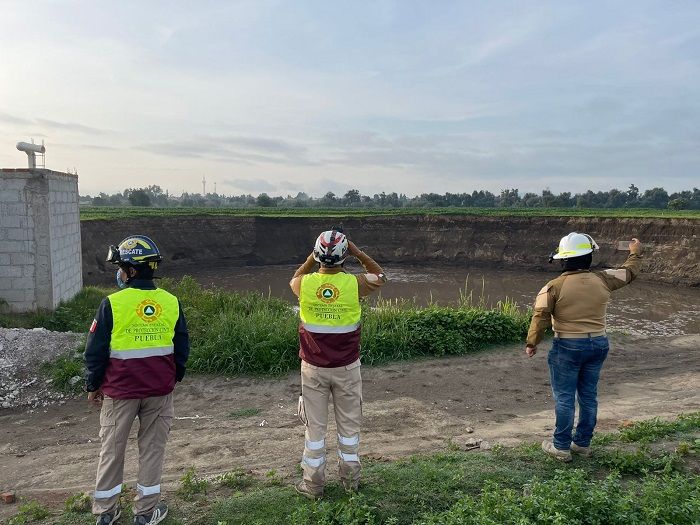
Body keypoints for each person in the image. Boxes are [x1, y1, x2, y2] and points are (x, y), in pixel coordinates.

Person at [85, 235, 189, 525]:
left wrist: (93, 385)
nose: (118, 273)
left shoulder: (112, 304)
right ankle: (146, 512)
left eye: (120, 267)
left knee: (112, 451)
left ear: (131, 271)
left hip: (120, 392)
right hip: (159, 390)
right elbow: (182, 346)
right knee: (153, 450)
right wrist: (173, 378)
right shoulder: (171, 302)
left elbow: (95, 350)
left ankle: (106, 513)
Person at [525, 232, 642, 462]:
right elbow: (629, 272)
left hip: (567, 346)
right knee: (588, 396)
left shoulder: (552, 287)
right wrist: (635, 252)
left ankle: (560, 447)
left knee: (565, 397)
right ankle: (582, 444)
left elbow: (540, 317)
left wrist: (532, 343)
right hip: (598, 344)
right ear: (589, 257)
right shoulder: (604, 279)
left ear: (563, 260)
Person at [289, 229, 387, 499]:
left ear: (317, 255)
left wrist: (313, 257)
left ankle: (313, 485)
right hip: (347, 368)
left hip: (313, 371)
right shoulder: (355, 285)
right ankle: (350, 482)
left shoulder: (303, 285)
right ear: (345, 255)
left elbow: (295, 276)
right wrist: (357, 252)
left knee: (315, 431)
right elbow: (380, 276)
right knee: (349, 429)